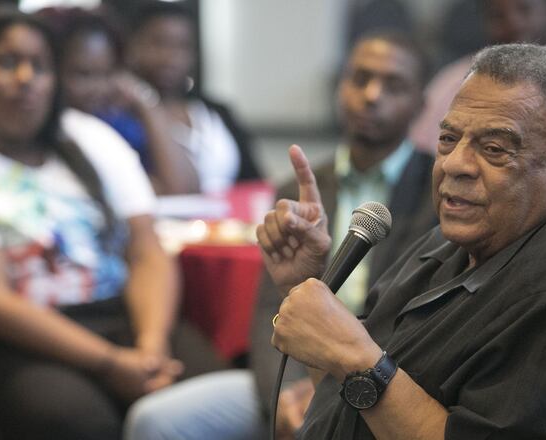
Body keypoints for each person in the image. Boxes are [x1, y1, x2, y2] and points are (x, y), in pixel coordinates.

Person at [258, 44, 546, 439]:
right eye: (449, 139)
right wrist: (307, 286)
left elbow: (365, 372)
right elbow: (355, 401)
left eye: (493, 149)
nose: (454, 164)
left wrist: (356, 356)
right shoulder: (454, 239)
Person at [0, 6, 220, 439]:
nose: (26, 77)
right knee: (80, 423)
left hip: (126, 317)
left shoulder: (90, 137)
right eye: (7, 62)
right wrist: (110, 363)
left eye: (40, 66)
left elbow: (146, 250)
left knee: (217, 399)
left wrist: (152, 346)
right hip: (25, 340)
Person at [124, 32, 438, 439]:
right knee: (156, 420)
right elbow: (270, 309)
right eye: (360, 79)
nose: (372, 95)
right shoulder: (299, 189)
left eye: (393, 85)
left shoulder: (438, 192)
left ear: (420, 104)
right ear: (340, 86)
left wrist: (340, 380)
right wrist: (290, 389)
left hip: (387, 379)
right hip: (301, 372)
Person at [409, 0, 546, 172]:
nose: (513, 23)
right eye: (498, 15)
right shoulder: (448, 87)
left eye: (525, 9)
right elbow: (423, 165)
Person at [41, 7, 198, 195]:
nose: (98, 88)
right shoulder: (43, 133)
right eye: (83, 74)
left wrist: (147, 105)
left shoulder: (117, 124)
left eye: (108, 74)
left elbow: (185, 186)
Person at [124, 1, 262, 194]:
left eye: (182, 46)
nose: (170, 57)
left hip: (234, 213)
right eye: (160, 43)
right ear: (133, 47)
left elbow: (255, 181)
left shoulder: (217, 110)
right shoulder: (123, 117)